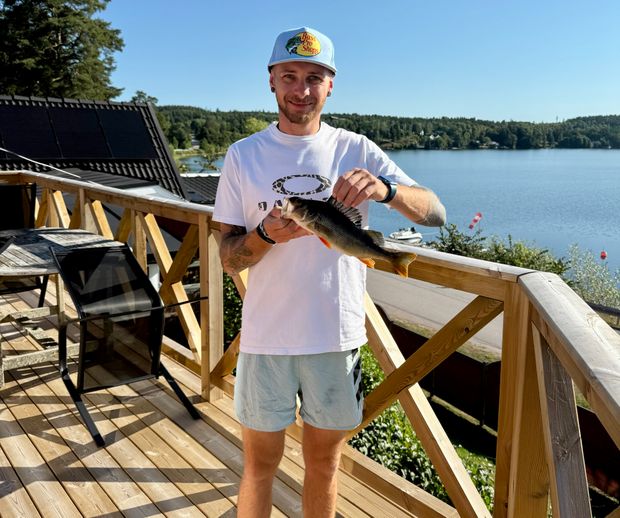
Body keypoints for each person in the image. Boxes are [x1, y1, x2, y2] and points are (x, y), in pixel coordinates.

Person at [213, 26, 446, 518]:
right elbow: (229, 257)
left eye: (314, 78)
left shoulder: (357, 149)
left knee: (324, 464)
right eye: (290, 76)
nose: (301, 90)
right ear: (271, 81)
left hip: (336, 339)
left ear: (331, 85)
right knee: (258, 466)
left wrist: (386, 190)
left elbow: (435, 213)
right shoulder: (243, 155)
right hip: (265, 340)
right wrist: (265, 237)